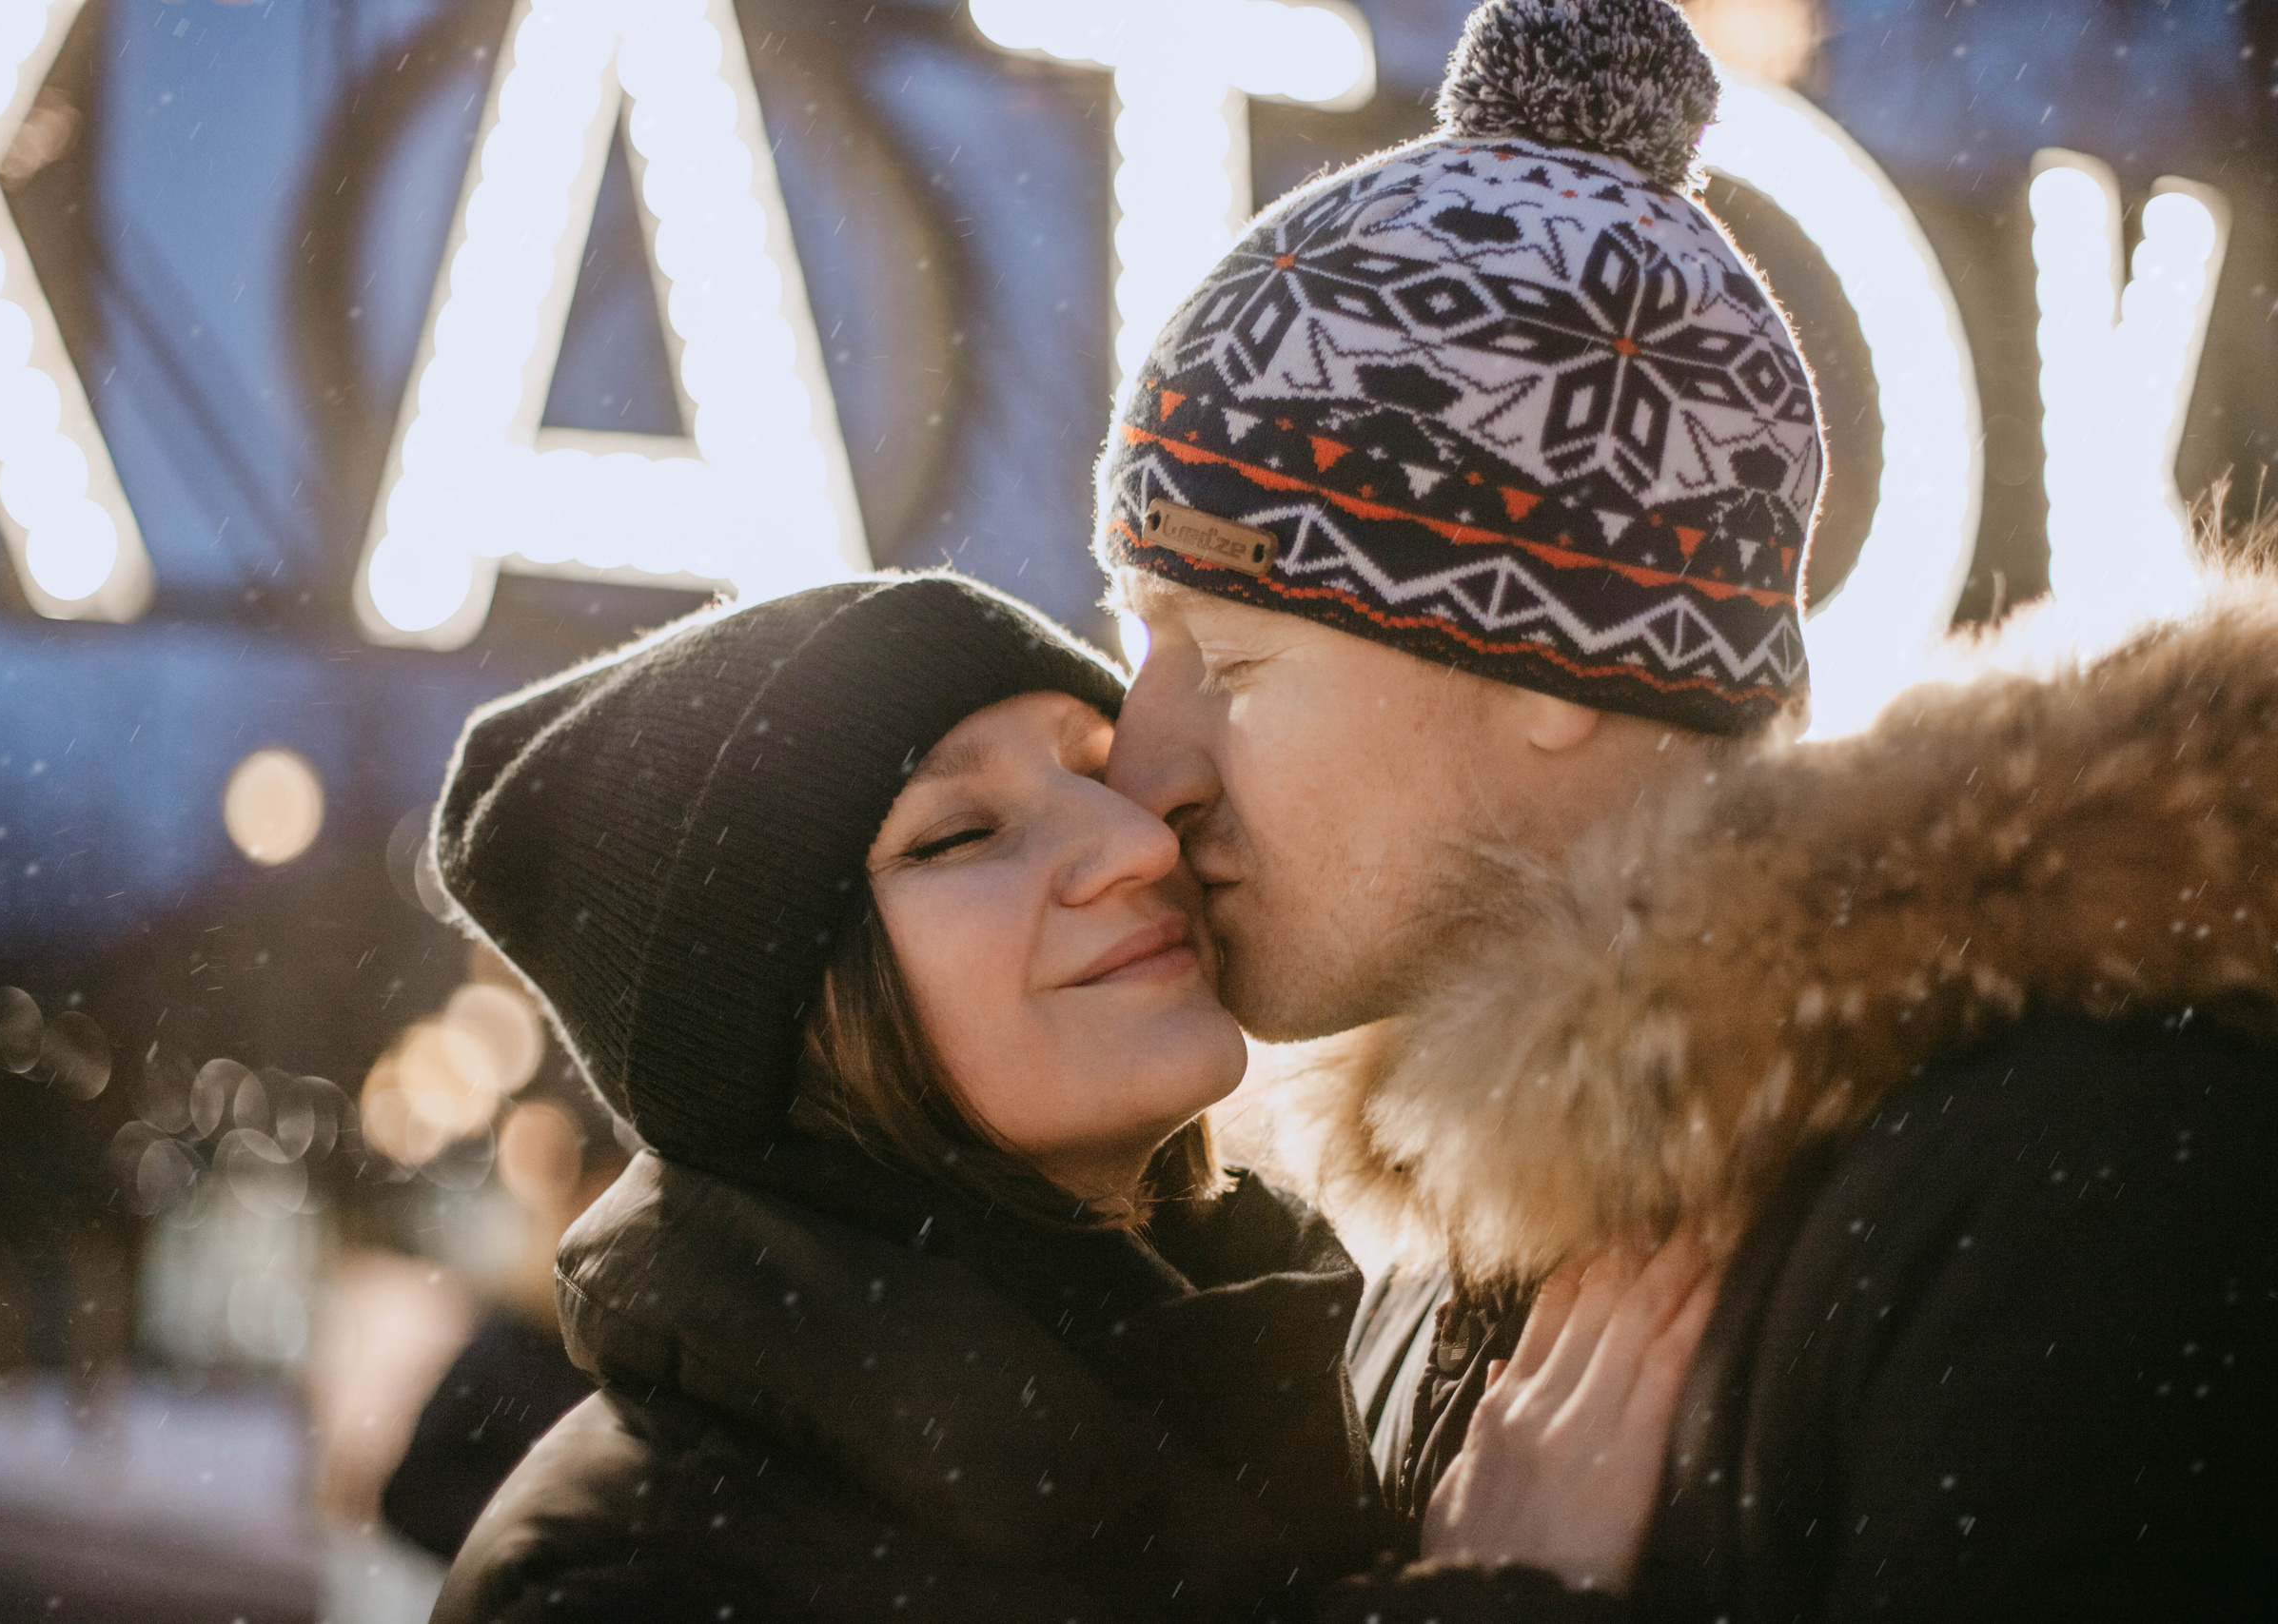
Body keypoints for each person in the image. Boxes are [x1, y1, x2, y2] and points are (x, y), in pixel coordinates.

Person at [1096, 0, 2277, 1616]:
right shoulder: (1446, 1238)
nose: (1135, 763)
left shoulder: (2079, 1190)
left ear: (1548, 658)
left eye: (1228, 661)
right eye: (1134, 647)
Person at [415, 571, 1716, 1623]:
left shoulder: (1293, 1372)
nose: (1137, 844)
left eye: (1098, 772)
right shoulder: (643, 1579)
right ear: (780, 1023)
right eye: (957, 835)